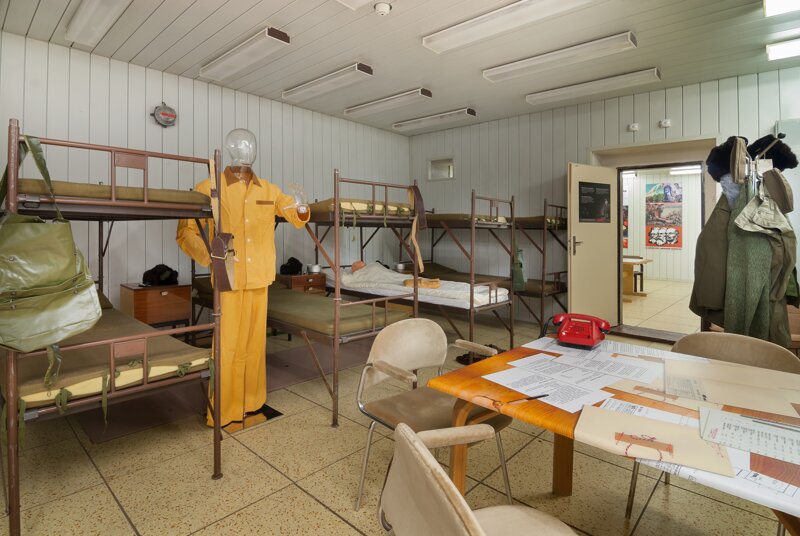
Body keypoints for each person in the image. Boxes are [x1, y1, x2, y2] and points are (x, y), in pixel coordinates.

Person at [177, 128, 310, 428]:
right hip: (229, 275)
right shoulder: (209, 187)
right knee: (227, 346)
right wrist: (212, 256)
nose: (246, 151)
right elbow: (185, 232)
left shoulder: (270, 190)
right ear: (228, 150)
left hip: (259, 276)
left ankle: (252, 403)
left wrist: (301, 205)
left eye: (250, 145)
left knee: (254, 345)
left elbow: (296, 218)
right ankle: (224, 409)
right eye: (239, 146)